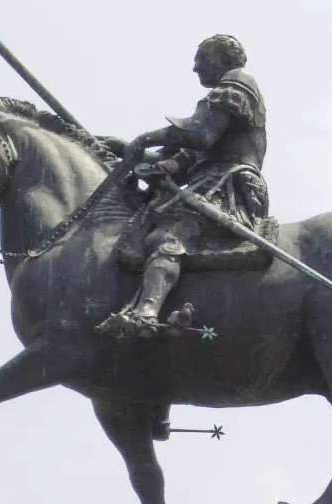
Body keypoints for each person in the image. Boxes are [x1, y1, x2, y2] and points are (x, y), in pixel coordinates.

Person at [97, 34, 268, 337]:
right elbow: (184, 158)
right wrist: (127, 151)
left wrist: (145, 137)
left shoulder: (237, 83)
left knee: (172, 235)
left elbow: (200, 134)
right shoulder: (222, 107)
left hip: (227, 185)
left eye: (201, 59)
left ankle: (145, 313)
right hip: (209, 180)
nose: (195, 68)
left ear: (222, 58)